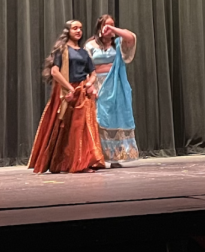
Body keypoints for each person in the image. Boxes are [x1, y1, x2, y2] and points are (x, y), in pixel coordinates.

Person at [29, 20, 105, 174]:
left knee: (81, 127)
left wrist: (89, 84)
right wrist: (69, 88)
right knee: (64, 127)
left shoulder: (84, 52)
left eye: (81, 28)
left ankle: (82, 162)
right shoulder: (62, 50)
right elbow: (55, 72)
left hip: (82, 93)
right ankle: (63, 162)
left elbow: (93, 73)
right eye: (75, 28)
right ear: (67, 31)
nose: (78, 31)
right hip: (66, 92)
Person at [85, 15, 139, 166]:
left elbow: (131, 37)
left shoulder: (118, 43)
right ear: (99, 27)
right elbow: (86, 67)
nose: (109, 28)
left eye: (112, 25)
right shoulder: (90, 45)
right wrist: (89, 86)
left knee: (116, 118)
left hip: (116, 85)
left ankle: (115, 157)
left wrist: (113, 29)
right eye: (106, 25)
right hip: (99, 84)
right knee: (100, 119)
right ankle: (98, 157)